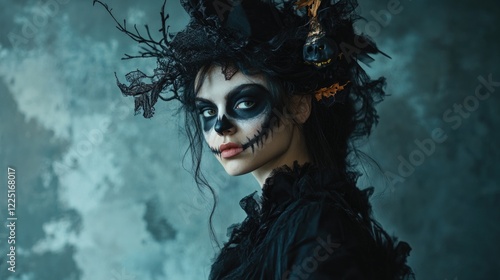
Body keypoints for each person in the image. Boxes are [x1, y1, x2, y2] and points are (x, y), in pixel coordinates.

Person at [95, 0, 415, 279]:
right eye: (207, 111)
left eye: (245, 103)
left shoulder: (317, 227)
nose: (221, 126)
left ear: (299, 105)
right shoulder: (271, 229)